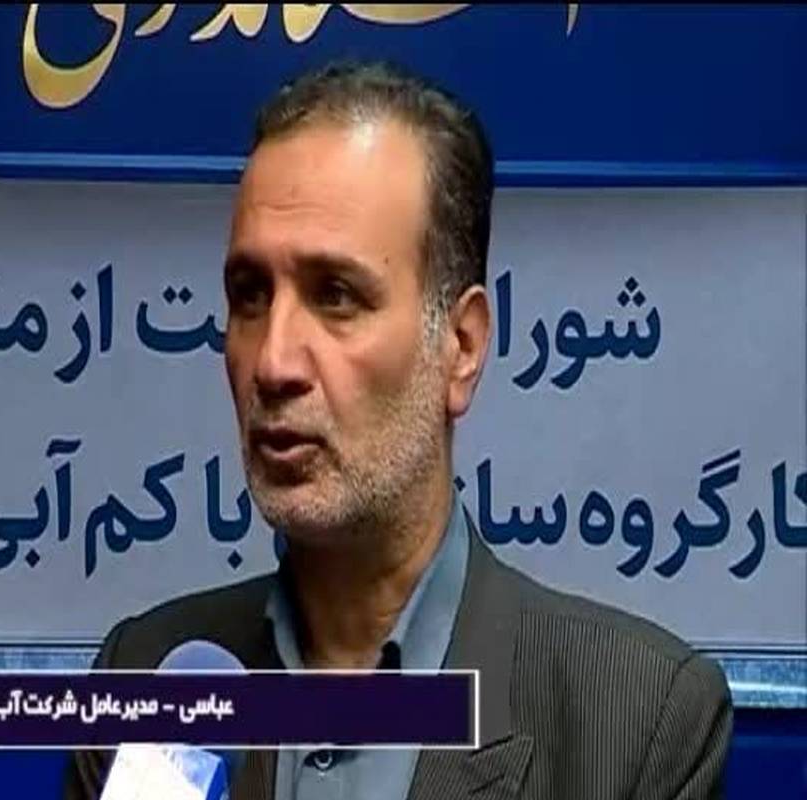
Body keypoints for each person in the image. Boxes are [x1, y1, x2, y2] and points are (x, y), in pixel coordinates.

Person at [64, 61, 732, 800]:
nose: (274, 363)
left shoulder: (636, 724)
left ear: (461, 346)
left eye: (336, 296)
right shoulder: (146, 676)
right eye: (250, 295)